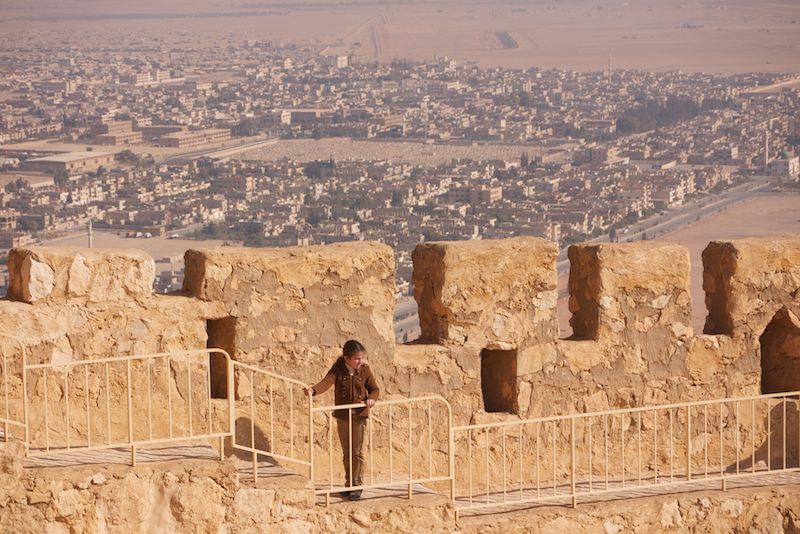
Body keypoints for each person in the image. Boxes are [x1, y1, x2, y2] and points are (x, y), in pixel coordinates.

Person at [306, 339, 380, 500]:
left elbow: (375, 389)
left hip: (359, 417)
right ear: (347, 358)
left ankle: (357, 485)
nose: (360, 361)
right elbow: (326, 382)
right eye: (357, 358)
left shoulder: (365, 370)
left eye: (362, 358)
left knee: (357, 452)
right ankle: (349, 483)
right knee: (347, 452)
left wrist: (371, 399)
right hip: (343, 417)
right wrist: (313, 390)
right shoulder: (338, 369)